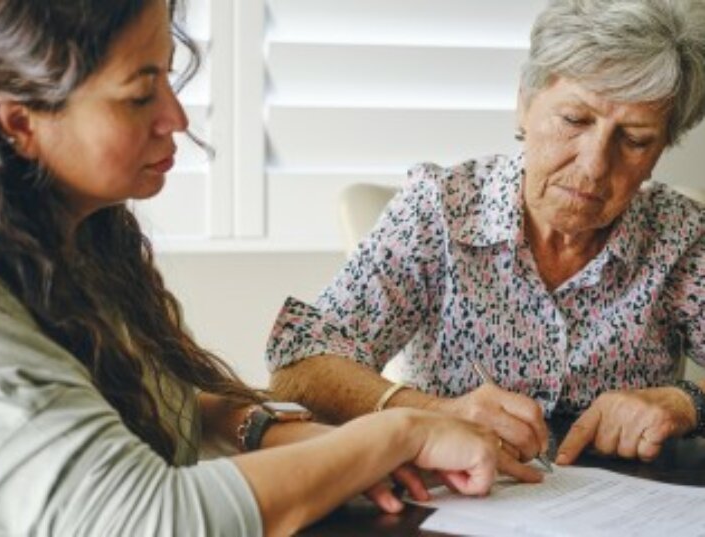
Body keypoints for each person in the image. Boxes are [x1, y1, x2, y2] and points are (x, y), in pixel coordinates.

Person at [0, 1, 525, 536]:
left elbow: (155, 406)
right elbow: (146, 517)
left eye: (169, 76)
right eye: (140, 95)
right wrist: (401, 430)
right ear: (19, 123)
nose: (175, 117)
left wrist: (291, 438)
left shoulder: (69, 239)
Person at [267, 0, 705, 473]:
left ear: (663, 146)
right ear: (525, 103)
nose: (594, 166)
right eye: (575, 120)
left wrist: (687, 404)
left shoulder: (679, 235)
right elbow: (299, 366)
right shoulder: (439, 209)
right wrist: (436, 414)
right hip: (459, 500)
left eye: (635, 140)